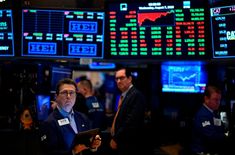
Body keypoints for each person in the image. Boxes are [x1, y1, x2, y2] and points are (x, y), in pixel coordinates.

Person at [39, 78, 101, 155]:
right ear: (56, 96)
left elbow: (86, 146)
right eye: (64, 93)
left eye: (71, 93)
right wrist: (73, 152)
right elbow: (48, 152)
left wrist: (93, 146)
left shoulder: (83, 117)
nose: (68, 96)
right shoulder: (49, 123)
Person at [109, 67, 146, 155]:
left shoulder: (136, 95)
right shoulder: (124, 95)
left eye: (121, 78)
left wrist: (116, 139)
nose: (118, 81)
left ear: (129, 79)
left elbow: (130, 122)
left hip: (129, 144)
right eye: (116, 78)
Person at [191, 85, 228, 155]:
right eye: (215, 99)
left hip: (212, 149)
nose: (218, 103)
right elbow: (211, 137)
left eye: (219, 100)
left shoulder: (213, 112)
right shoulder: (203, 115)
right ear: (206, 99)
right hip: (203, 152)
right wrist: (226, 136)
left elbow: (221, 128)